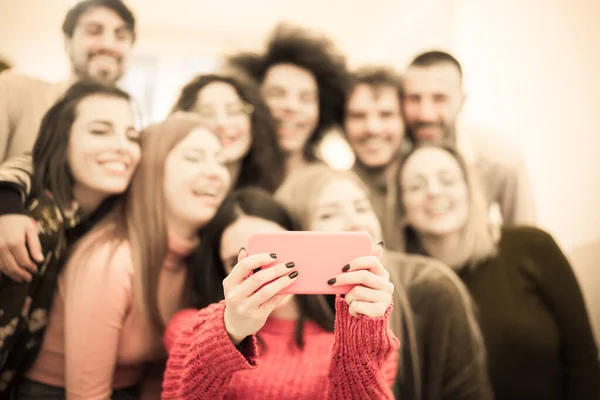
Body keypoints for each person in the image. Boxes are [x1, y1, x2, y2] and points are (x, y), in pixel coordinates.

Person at [11, 114, 231, 399]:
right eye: (194, 158)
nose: (215, 172)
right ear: (152, 171)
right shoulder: (110, 260)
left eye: (220, 160)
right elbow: (86, 394)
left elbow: (162, 374)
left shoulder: (195, 257)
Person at [397, 144, 600, 399]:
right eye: (416, 186)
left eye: (447, 180)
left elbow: (583, 362)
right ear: (402, 208)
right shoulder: (406, 290)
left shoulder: (534, 248)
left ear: (470, 191)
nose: (434, 192)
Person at [275, 163, 493, 400]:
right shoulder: (287, 306)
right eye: (328, 215)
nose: (355, 222)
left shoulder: (430, 285)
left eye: (361, 208)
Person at [160, 187, 399, 399]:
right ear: (222, 270)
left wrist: (360, 339)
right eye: (238, 261)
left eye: (273, 253)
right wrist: (228, 329)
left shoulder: (367, 338)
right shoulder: (191, 330)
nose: (264, 272)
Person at [0, 80, 141, 395]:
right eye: (100, 131)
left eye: (131, 135)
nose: (122, 146)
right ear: (61, 141)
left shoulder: (104, 218)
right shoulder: (35, 223)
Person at [402, 50, 537, 225]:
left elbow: (527, 238)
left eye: (439, 99)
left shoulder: (500, 159)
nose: (425, 115)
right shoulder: (390, 154)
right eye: (414, 99)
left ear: (461, 101)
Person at [0, 0, 137, 162]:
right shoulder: (15, 91)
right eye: (93, 31)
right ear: (67, 42)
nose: (108, 44)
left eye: (121, 36)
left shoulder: (128, 132)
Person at [225, 23, 348, 177]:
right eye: (277, 94)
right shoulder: (228, 176)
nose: (291, 106)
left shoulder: (334, 183)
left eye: (305, 98)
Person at [172, 71, 285, 192]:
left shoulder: (273, 189)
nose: (222, 123)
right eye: (207, 113)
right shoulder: (176, 193)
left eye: (233, 111)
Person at [344, 66, 406, 251]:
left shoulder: (430, 185)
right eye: (358, 116)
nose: (372, 128)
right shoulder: (333, 191)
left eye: (386, 115)